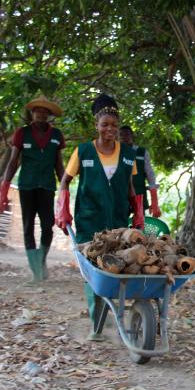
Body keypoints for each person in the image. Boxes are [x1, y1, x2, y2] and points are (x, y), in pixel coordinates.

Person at [54, 93, 144, 339]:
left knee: (114, 267)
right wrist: (62, 208)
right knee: (92, 267)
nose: (110, 129)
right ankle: (97, 319)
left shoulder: (127, 153)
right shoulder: (83, 151)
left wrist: (138, 213)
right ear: (97, 125)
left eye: (114, 125)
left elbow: (129, 187)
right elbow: (65, 180)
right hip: (89, 220)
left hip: (117, 221)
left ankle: (107, 314)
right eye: (105, 125)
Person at [0, 95, 66, 283]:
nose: (41, 114)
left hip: (47, 185)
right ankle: (36, 270)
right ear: (32, 113)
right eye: (38, 110)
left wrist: (64, 189)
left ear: (49, 115)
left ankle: (41, 259)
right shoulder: (22, 133)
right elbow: (13, 162)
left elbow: (59, 165)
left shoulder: (56, 135)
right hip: (27, 185)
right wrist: (4, 188)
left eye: (45, 111)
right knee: (28, 226)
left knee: (48, 226)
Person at [118, 126, 162, 218]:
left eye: (127, 134)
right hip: (120, 195)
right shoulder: (114, 152)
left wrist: (155, 202)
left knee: (139, 224)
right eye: (120, 134)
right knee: (119, 225)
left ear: (132, 135)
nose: (124, 137)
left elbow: (150, 175)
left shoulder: (142, 152)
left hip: (139, 194)